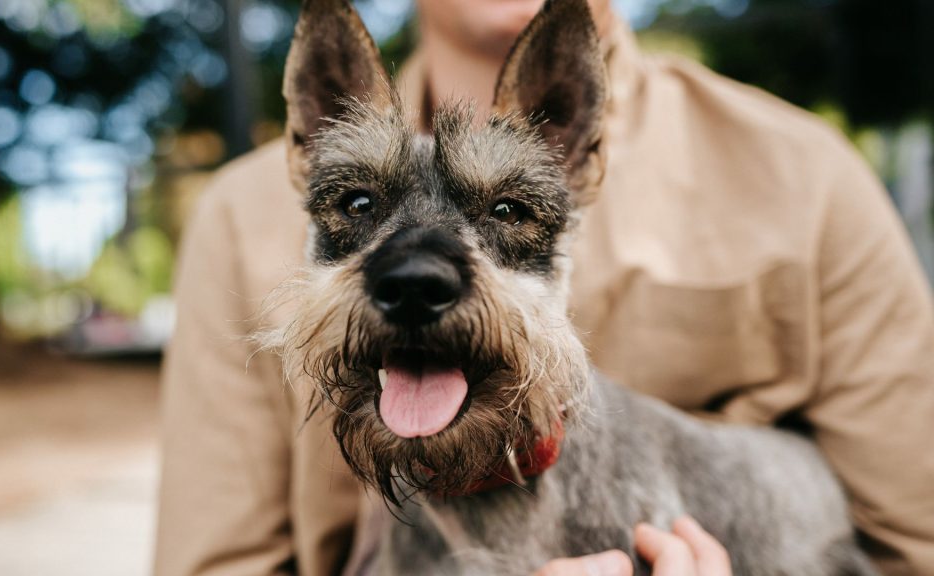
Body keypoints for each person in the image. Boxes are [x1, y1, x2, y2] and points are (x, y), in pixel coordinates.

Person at [153, 1, 934, 575]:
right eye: (357, 205)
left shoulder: (808, 177)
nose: (419, 268)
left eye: (511, 210)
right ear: (309, 137)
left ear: (578, 139)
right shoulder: (233, 217)